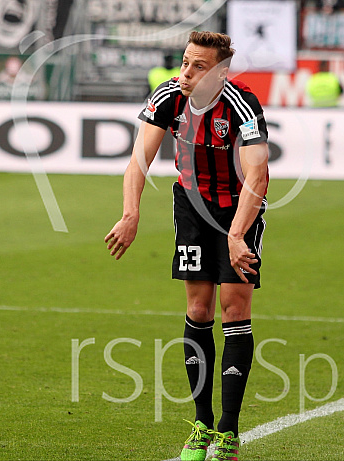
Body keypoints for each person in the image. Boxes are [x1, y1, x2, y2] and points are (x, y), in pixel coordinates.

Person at [105, 31, 269, 460]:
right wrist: (130, 214)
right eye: (184, 62)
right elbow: (137, 161)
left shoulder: (241, 104)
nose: (185, 72)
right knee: (198, 310)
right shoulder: (167, 98)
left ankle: (229, 434)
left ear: (220, 71)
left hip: (238, 208)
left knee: (235, 310)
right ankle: (201, 425)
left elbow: (258, 176)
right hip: (192, 209)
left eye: (198, 66)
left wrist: (236, 235)